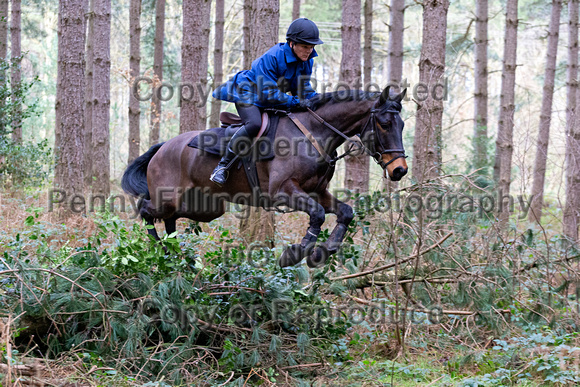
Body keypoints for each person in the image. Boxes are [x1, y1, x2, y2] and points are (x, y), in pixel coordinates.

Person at [209, 18, 324, 186]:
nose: (309, 51)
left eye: (312, 47)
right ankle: (222, 167)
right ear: (291, 43)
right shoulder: (272, 57)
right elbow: (268, 94)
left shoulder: (307, 61)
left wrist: (320, 102)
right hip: (248, 93)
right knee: (254, 124)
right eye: (305, 46)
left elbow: (304, 89)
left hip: (270, 97)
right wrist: (295, 101)